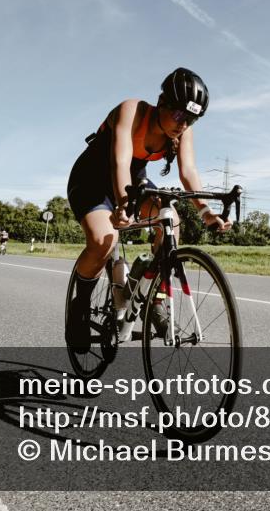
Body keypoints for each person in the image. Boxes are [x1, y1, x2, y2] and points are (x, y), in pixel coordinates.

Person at [65, 68, 231, 349]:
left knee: (171, 220)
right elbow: (120, 161)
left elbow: (188, 171)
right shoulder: (132, 110)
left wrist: (205, 211)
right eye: (180, 115)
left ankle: (156, 300)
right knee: (103, 239)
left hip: (134, 182)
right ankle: (79, 306)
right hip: (92, 178)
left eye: (192, 119)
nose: (184, 124)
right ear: (162, 102)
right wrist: (122, 205)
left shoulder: (183, 132)